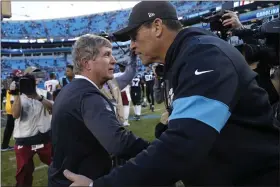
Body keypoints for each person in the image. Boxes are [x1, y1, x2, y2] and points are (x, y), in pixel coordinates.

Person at [64, 1, 279, 186]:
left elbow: (182, 145)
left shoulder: (203, 55)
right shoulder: (181, 60)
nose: (132, 46)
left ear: (157, 27)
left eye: (134, 36)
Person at [48, 34, 149, 187]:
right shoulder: (88, 95)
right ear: (87, 63)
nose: (114, 60)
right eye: (107, 54)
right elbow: (118, 143)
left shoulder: (69, 90)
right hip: (82, 179)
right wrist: (154, 149)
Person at [12, 67, 53, 187]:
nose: (36, 78)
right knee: (23, 173)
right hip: (24, 140)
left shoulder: (44, 93)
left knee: (57, 165)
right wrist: (18, 94)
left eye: (37, 75)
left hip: (45, 137)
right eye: (32, 76)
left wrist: (38, 97)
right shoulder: (17, 96)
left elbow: (53, 108)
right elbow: (15, 114)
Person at [1, 70, 22, 152]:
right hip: (13, 105)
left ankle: (4, 145)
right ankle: (6, 145)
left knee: (9, 127)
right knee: (17, 126)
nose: (20, 75)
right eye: (19, 74)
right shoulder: (15, 83)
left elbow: (4, 94)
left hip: (9, 106)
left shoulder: (8, 82)